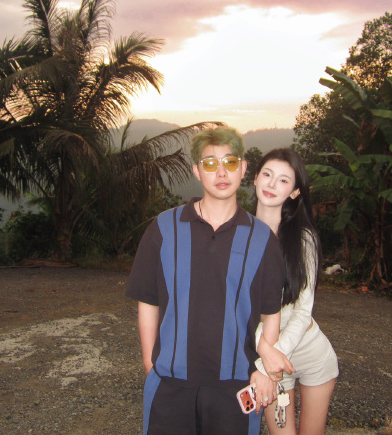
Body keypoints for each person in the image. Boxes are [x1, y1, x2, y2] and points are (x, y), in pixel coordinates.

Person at [125, 126, 291, 435]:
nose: (221, 172)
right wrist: (151, 366)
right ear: (197, 171)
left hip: (236, 386)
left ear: (243, 168)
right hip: (171, 384)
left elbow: (271, 314)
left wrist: (262, 369)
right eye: (210, 163)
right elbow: (148, 301)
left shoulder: (261, 239)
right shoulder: (164, 228)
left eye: (230, 162)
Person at [253, 148, 339, 435]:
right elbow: (235, 308)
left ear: (294, 192)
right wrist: (265, 354)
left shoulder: (303, 238)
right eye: (267, 174)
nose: (271, 184)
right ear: (255, 178)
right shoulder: (240, 234)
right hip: (270, 357)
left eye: (283, 180)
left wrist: (269, 360)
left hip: (310, 352)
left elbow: (303, 311)